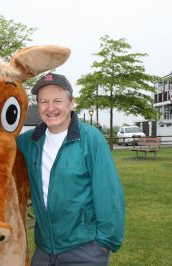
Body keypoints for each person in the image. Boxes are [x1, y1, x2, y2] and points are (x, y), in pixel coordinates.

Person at [16, 73, 125, 266]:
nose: (50, 108)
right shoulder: (28, 142)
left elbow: (108, 192)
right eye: (44, 102)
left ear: (71, 103)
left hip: (84, 249)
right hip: (44, 249)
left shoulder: (91, 139)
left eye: (57, 100)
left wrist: (105, 242)